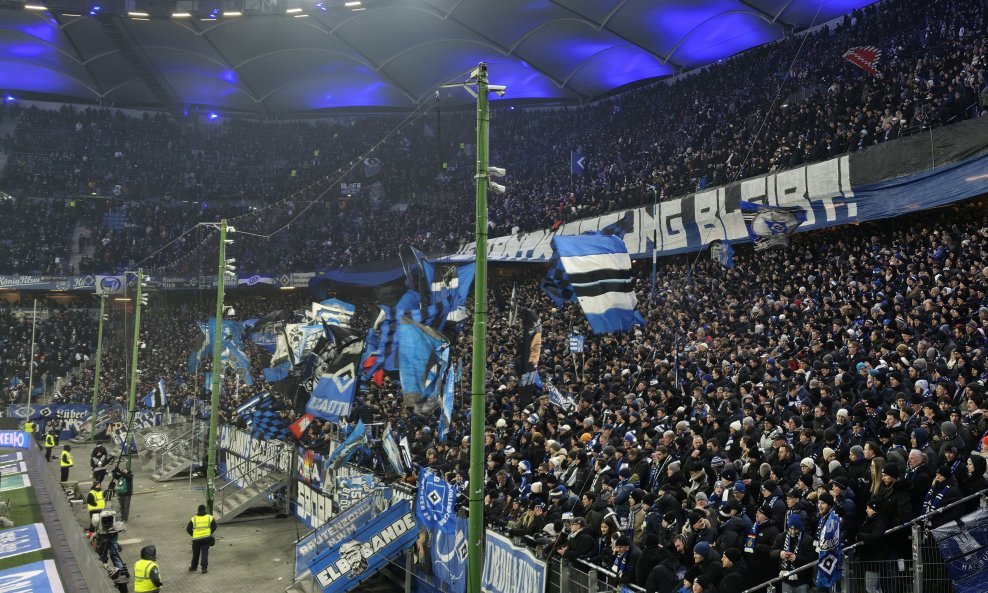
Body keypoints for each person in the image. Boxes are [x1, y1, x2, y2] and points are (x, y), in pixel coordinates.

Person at [186, 504, 216, 573]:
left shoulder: (194, 519)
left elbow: (188, 529)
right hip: (206, 538)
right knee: (205, 552)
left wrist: (194, 535)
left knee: (195, 553)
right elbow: (214, 526)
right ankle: (204, 568)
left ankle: (193, 567)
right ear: (205, 510)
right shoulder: (210, 517)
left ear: (198, 510)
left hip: (196, 539)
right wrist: (209, 533)